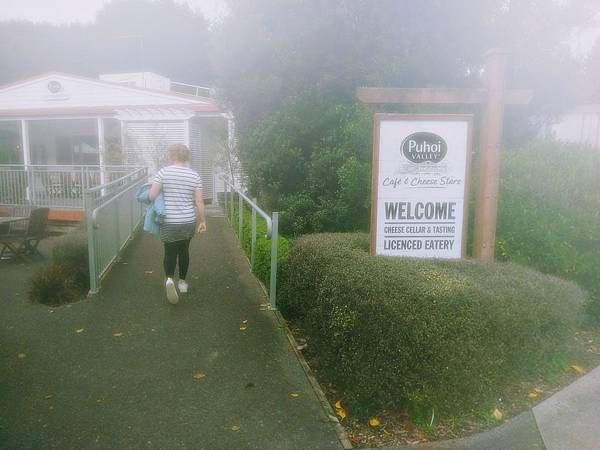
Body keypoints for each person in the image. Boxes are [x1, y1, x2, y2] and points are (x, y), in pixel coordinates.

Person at [149, 143, 206, 304]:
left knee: (169, 252)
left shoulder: (163, 173)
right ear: (185, 157)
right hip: (188, 221)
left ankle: (169, 280)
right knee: (184, 251)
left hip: (169, 221)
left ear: (172, 156)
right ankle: (182, 283)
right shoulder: (194, 175)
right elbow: (199, 201)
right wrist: (203, 221)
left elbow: (152, 196)